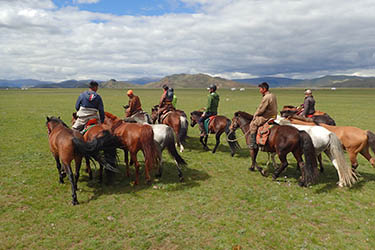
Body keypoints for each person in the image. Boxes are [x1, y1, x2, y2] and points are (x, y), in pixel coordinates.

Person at [249, 82, 278, 150]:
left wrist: (255, 115)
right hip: (273, 115)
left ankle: (253, 144)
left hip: (267, 116)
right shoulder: (272, 95)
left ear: (264, 89)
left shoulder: (266, 97)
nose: (259, 91)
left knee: (253, 124)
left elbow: (261, 109)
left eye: (260, 89)